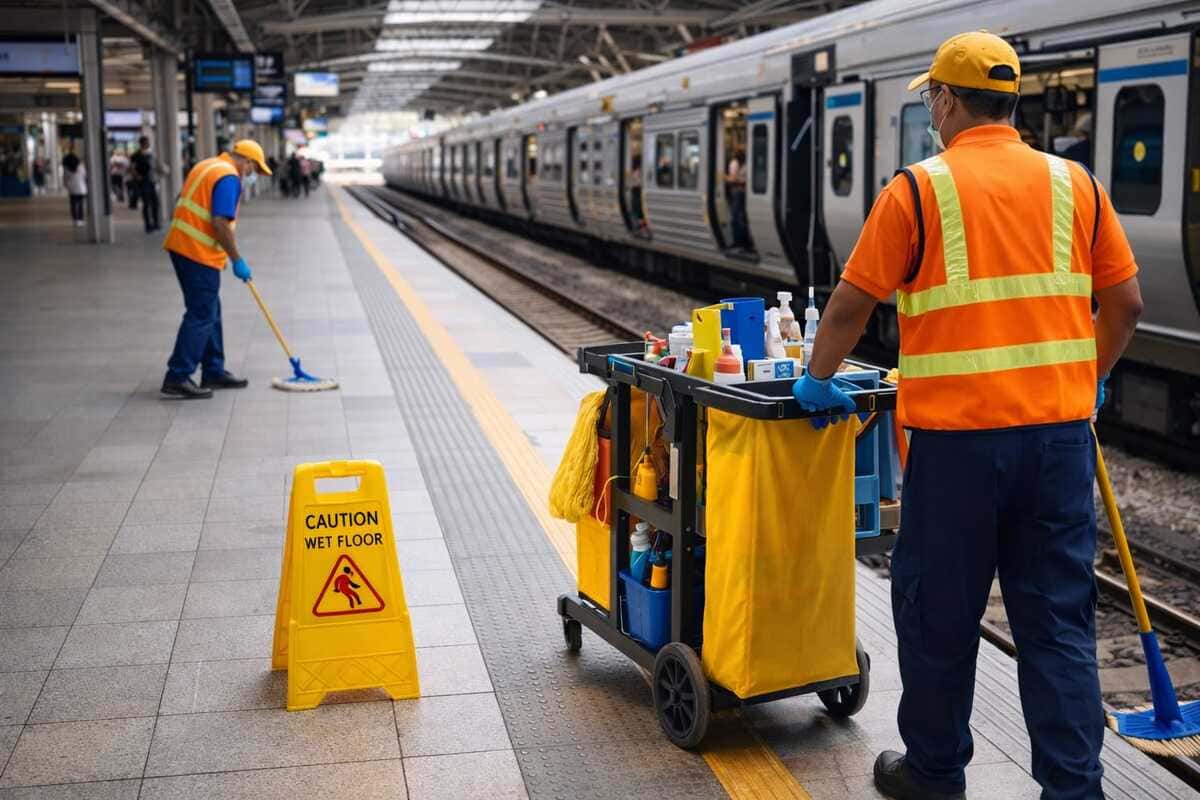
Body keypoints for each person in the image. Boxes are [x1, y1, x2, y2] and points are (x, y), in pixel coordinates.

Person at [791, 31, 1144, 800]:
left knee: (937, 620)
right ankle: (1074, 789)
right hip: (1057, 446)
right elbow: (1125, 304)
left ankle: (936, 774)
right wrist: (1091, 376)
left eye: (931, 98)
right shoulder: (1075, 184)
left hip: (956, 452)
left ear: (947, 100)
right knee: (1057, 626)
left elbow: (852, 303)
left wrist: (817, 379)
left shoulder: (918, 189)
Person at [160, 139, 272, 399]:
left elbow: (182, 200)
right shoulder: (229, 177)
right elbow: (220, 221)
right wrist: (237, 259)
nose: (250, 175)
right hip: (197, 253)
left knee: (211, 309)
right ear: (247, 161)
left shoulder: (207, 166)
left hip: (182, 247)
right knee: (201, 313)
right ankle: (177, 375)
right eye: (253, 169)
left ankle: (213, 369)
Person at [130, 136, 160, 233]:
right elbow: (132, 168)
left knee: (155, 202)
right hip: (144, 182)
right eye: (146, 142)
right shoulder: (136, 155)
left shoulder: (150, 154)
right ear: (142, 143)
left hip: (152, 181)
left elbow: (154, 166)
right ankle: (148, 225)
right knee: (146, 204)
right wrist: (137, 176)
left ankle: (156, 223)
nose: (148, 144)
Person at [726, 148, 749, 250]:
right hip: (743, 192)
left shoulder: (734, 163)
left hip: (737, 192)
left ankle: (738, 242)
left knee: (735, 218)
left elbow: (733, 179)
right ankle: (744, 241)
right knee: (742, 217)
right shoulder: (746, 164)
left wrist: (724, 177)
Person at [63, 150, 86, 226]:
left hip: (72, 188)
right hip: (81, 188)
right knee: (80, 204)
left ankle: (75, 220)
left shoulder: (66, 168)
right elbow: (84, 176)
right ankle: (80, 219)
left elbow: (65, 179)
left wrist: (66, 185)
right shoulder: (81, 167)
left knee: (73, 204)